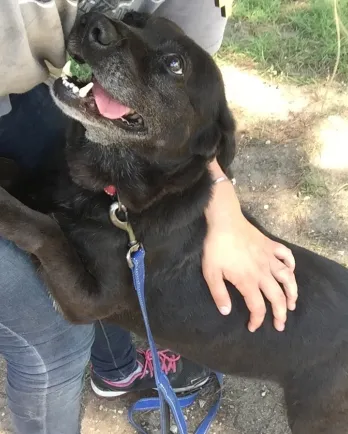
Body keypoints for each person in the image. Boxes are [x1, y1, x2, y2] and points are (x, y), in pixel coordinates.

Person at [0, 1, 298, 433]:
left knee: (82, 247)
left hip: (24, 90)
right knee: (58, 342)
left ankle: (117, 367)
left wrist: (223, 199)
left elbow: (190, 105)